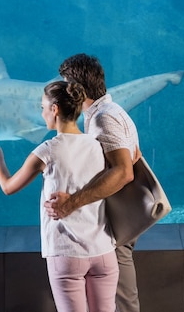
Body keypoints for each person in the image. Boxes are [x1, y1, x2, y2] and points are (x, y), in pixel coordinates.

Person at [0, 80, 118, 312]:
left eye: (43, 107)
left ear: (54, 110)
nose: (42, 111)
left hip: (68, 255)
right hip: (104, 252)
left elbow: (8, 187)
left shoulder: (47, 150)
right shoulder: (97, 145)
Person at [43, 53, 141, 312]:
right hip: (113, 218)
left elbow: (123, 172)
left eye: (65, 84)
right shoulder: (109, 112)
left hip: (113, 222)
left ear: (77, 88)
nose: (63, 91)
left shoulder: (103, 117)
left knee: (124, 300)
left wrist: (71, 203)